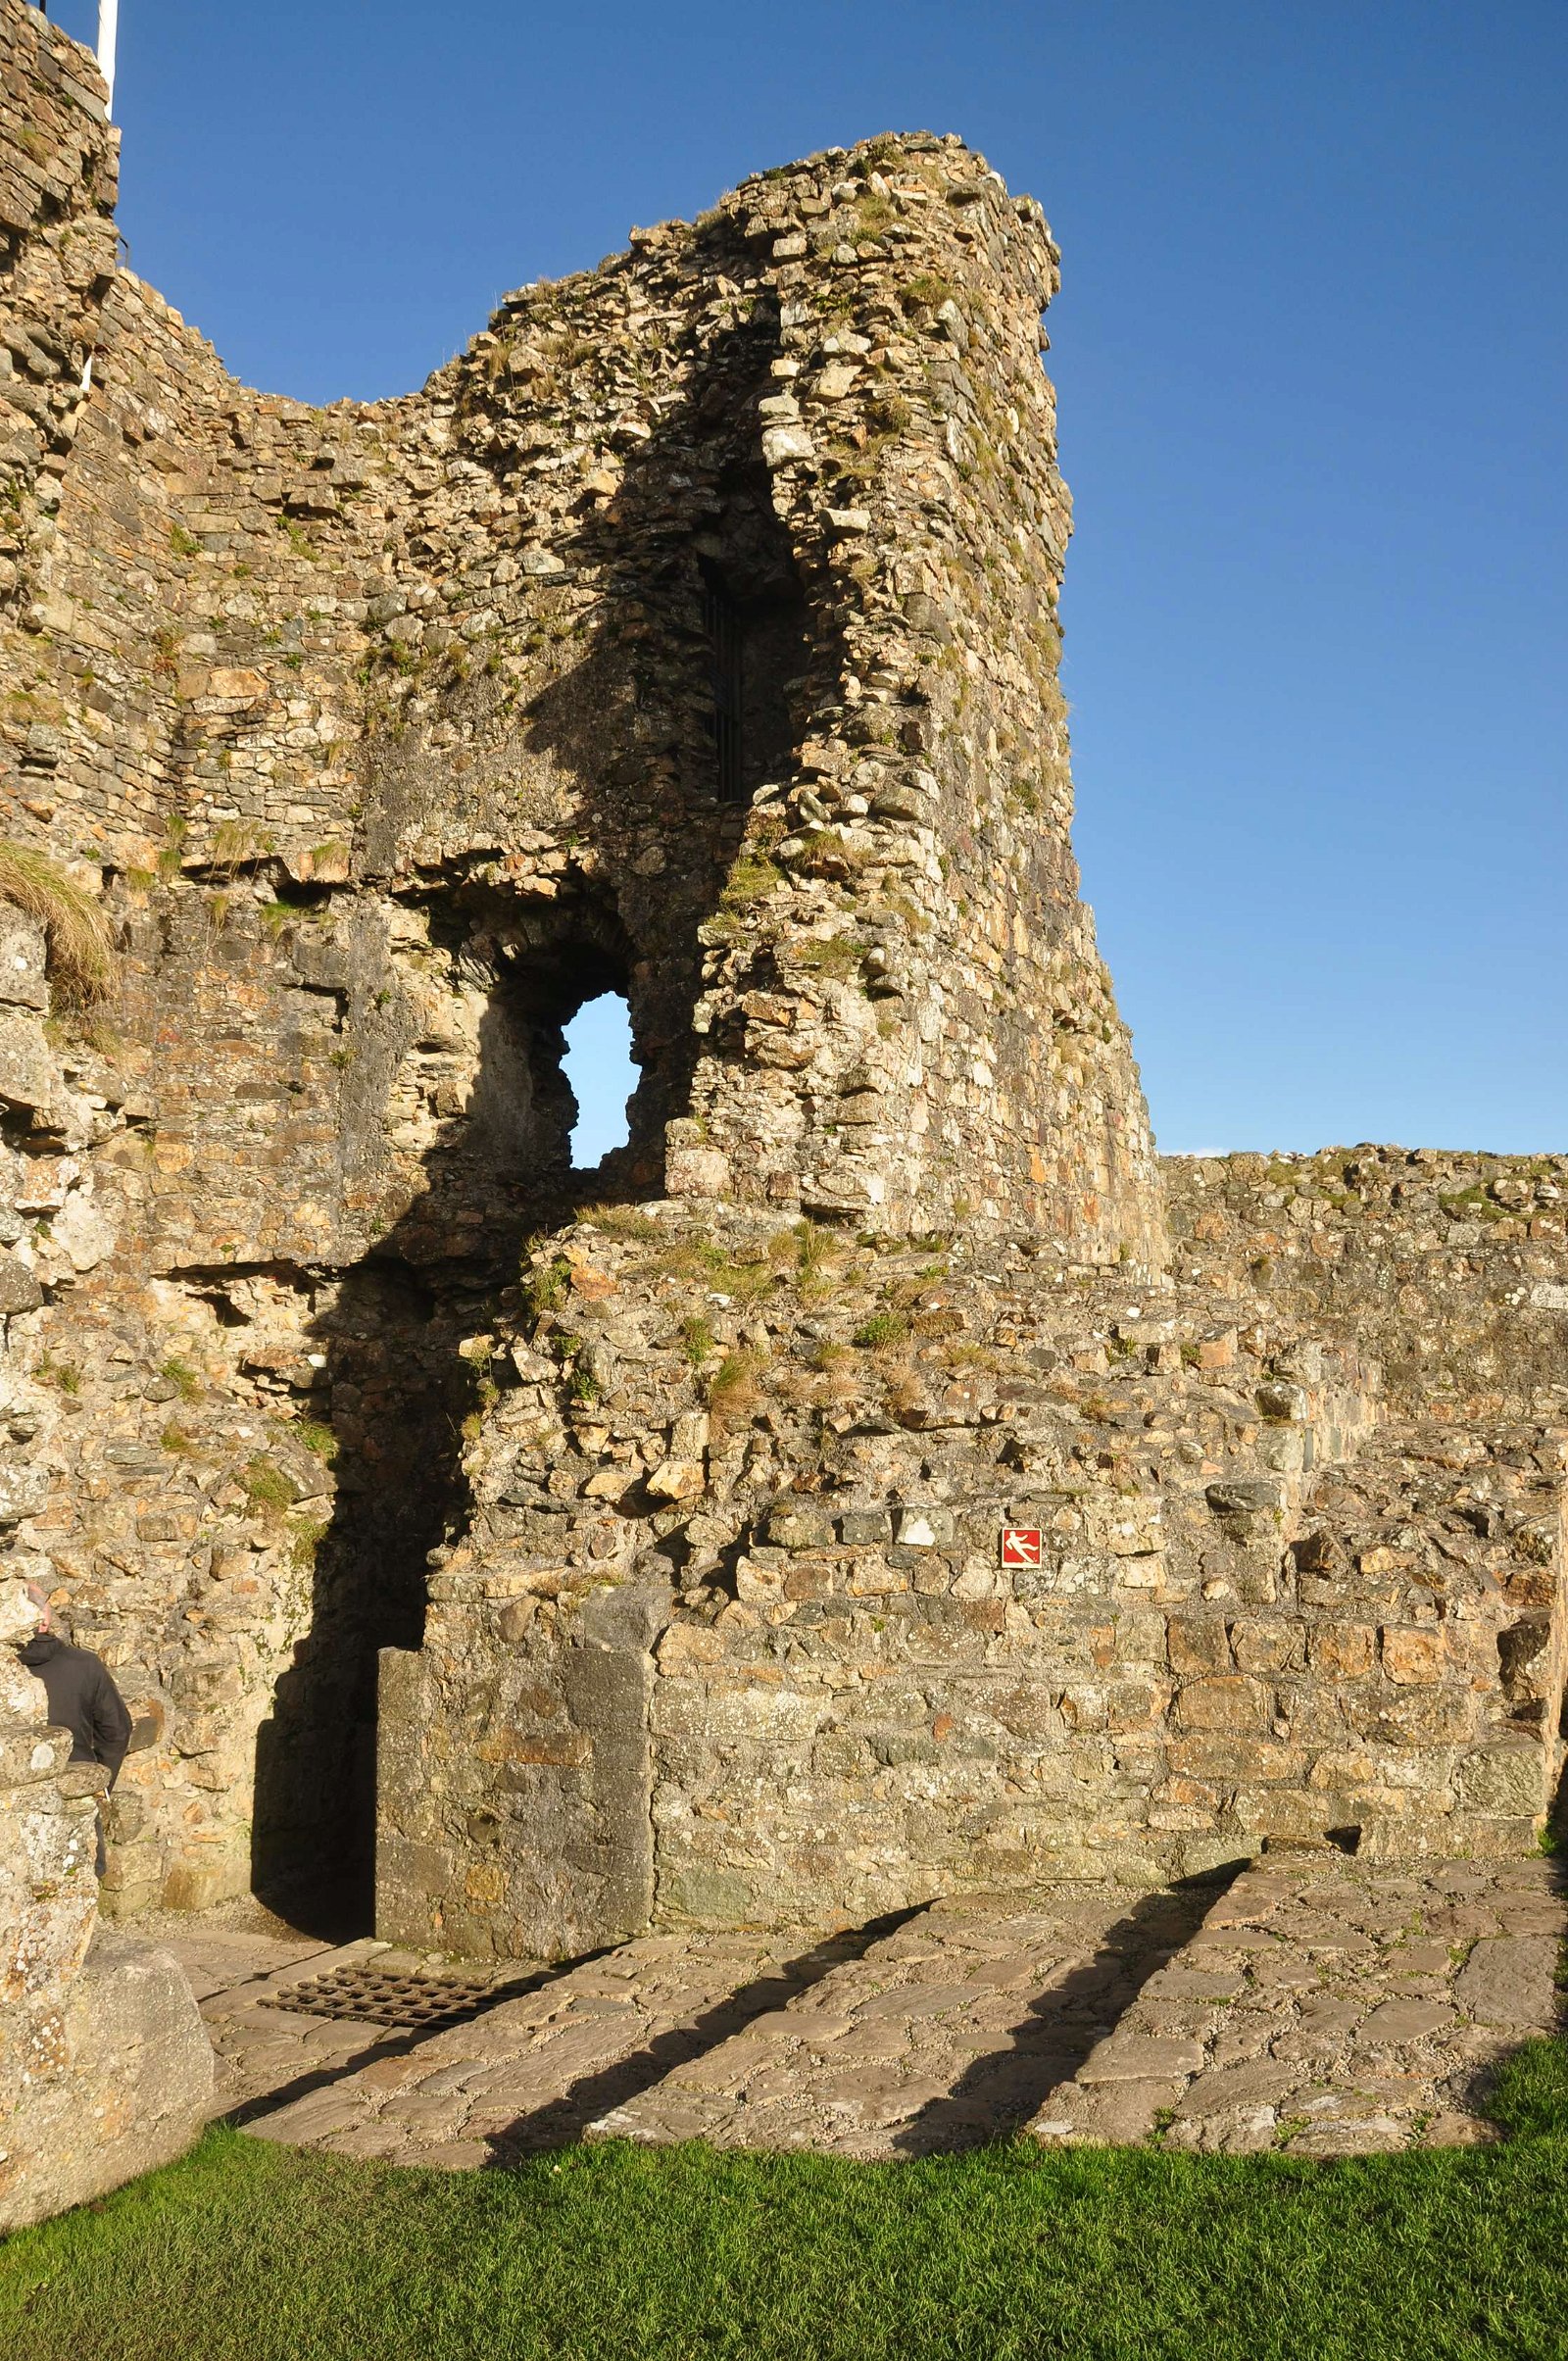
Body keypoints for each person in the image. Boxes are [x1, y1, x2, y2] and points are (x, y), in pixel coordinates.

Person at [18, 1581, 132, 1877]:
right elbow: (117, 1730)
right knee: (78, 1884)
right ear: (47, 1617)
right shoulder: (84, 1665)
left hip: (14, 1807)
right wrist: (99, 1784)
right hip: (74, 1792)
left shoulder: (11, 1669)